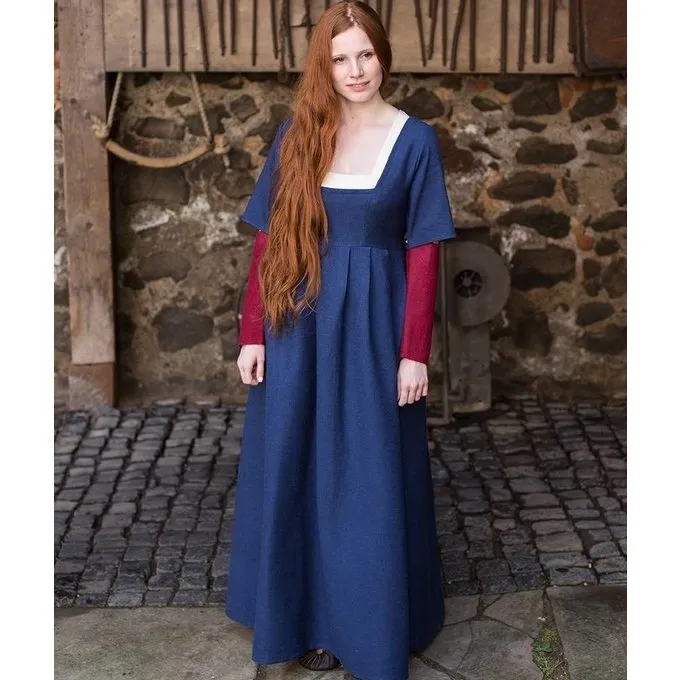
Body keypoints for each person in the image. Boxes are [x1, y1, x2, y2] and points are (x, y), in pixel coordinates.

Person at [225, 2, 455, 679]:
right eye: (340, 58)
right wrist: (253, 334)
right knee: (296, 463)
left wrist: (414, 353)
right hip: (297, 324)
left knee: (368, 473)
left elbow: (424, 251)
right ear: (323, 67)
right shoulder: (298, 134)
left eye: (366, 54)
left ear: (383, 55)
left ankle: (375, 624)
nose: (356, 70)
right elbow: (268, 241)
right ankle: (304, 621)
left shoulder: (414, 140)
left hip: (375, 331)